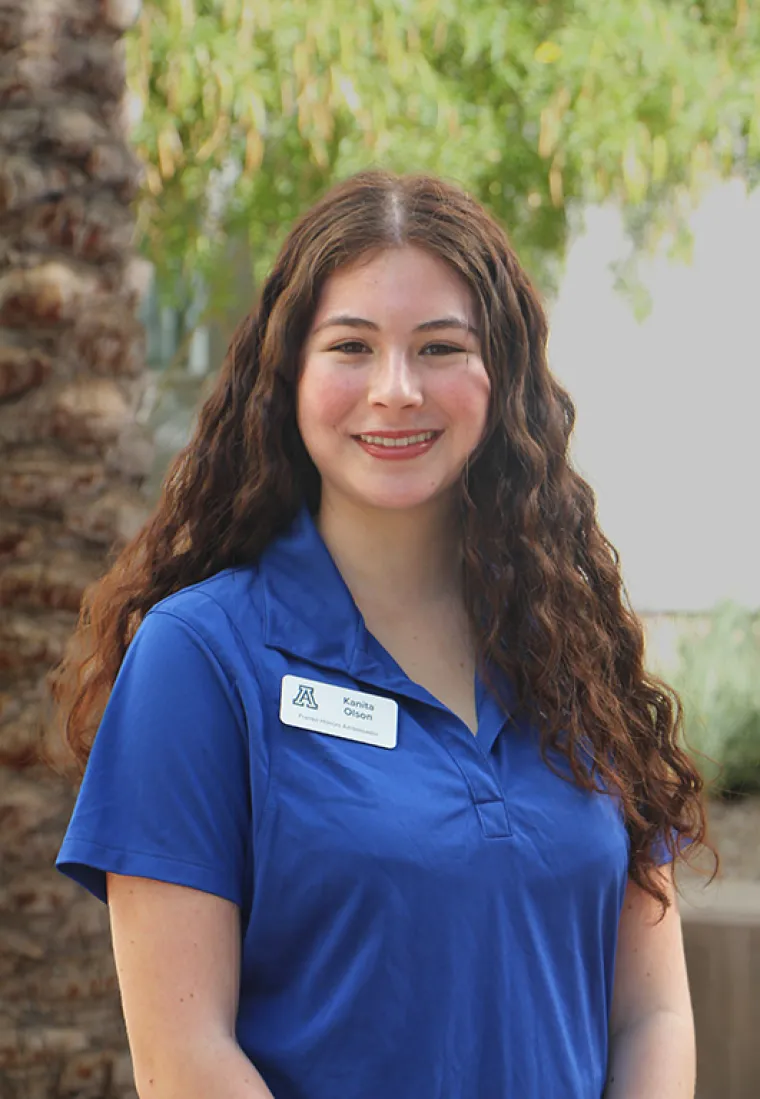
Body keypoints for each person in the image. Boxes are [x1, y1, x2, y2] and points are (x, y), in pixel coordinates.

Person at [54, 170, 710, 1099]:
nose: (396, 390)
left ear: (504, 379)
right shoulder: (201, 659)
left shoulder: (574, 647)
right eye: (351, 346)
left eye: (440, 347)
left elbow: (653, 1013)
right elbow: (183, 1060)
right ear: (290, 375)